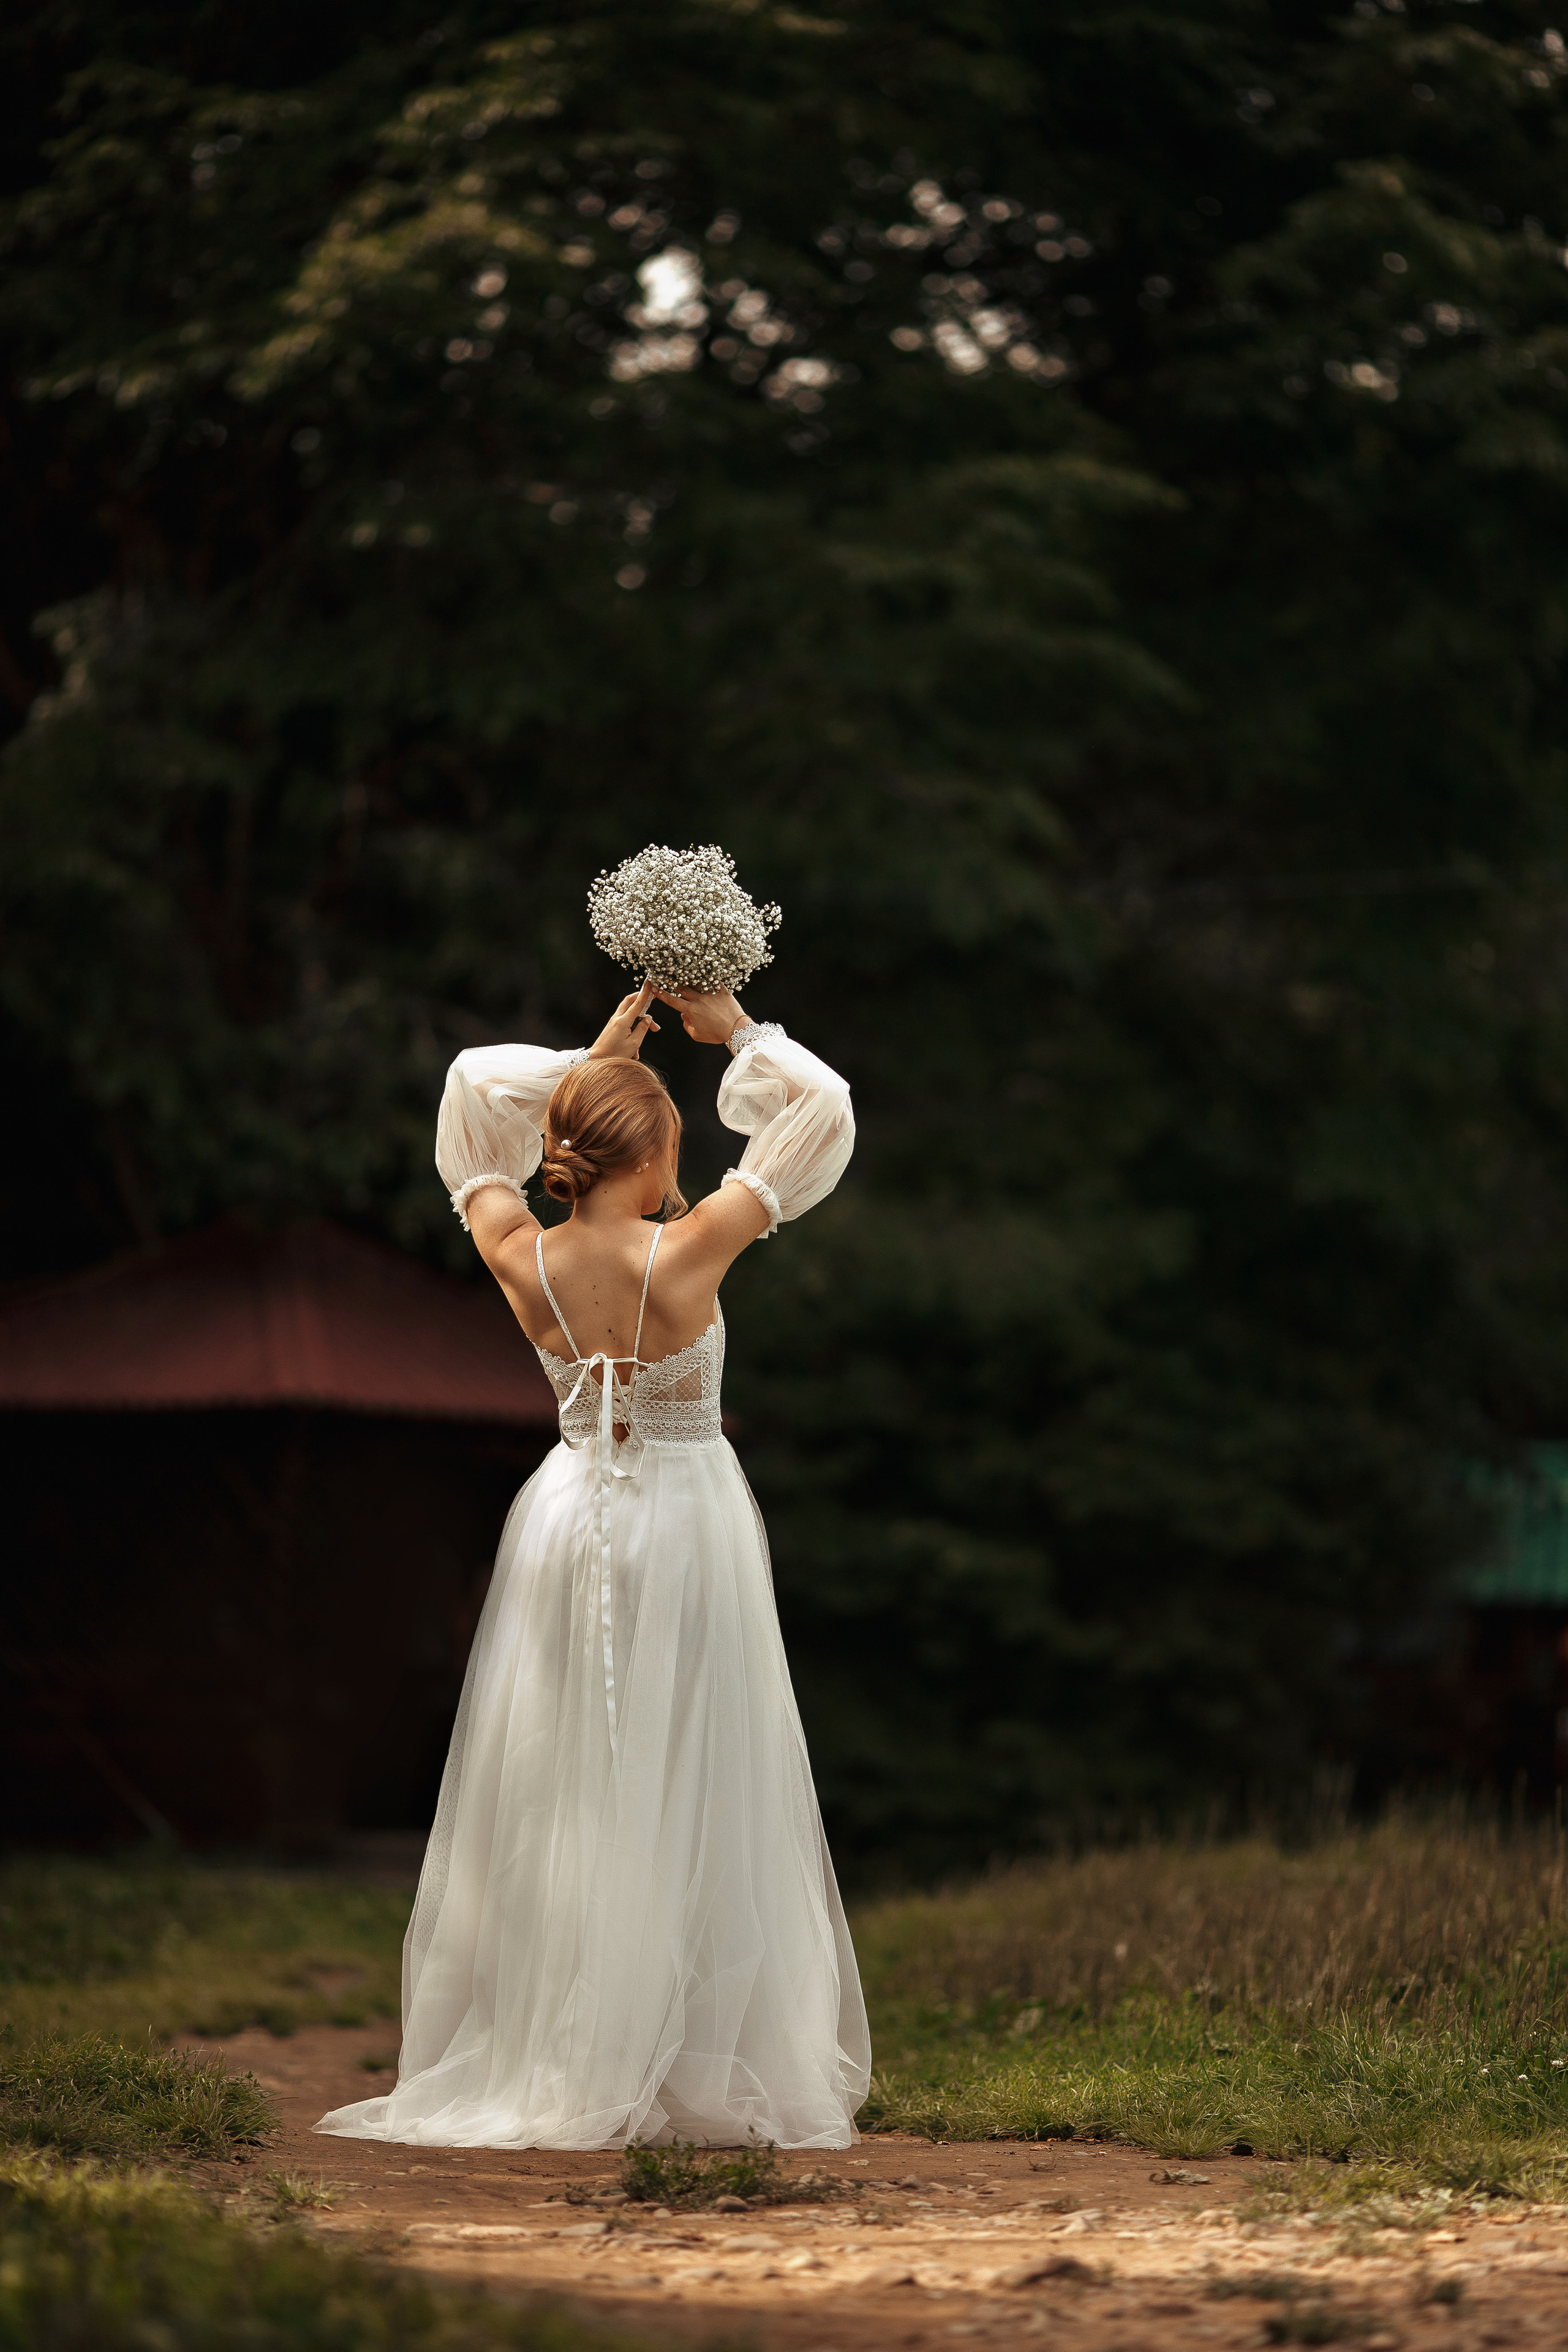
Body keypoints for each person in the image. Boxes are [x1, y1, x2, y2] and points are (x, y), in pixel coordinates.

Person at [316, 981, 870, 2151]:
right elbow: (821, 1111)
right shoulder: (693, 1249)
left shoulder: (520, 1250)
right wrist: (739, 1031)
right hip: (688, 1519)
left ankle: (573, 2046)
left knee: (566, 1784)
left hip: (569, 1517)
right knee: (696, 1772)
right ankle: (681, 2063)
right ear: (662, 1150)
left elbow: (470, 1094)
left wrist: (589, 1058)